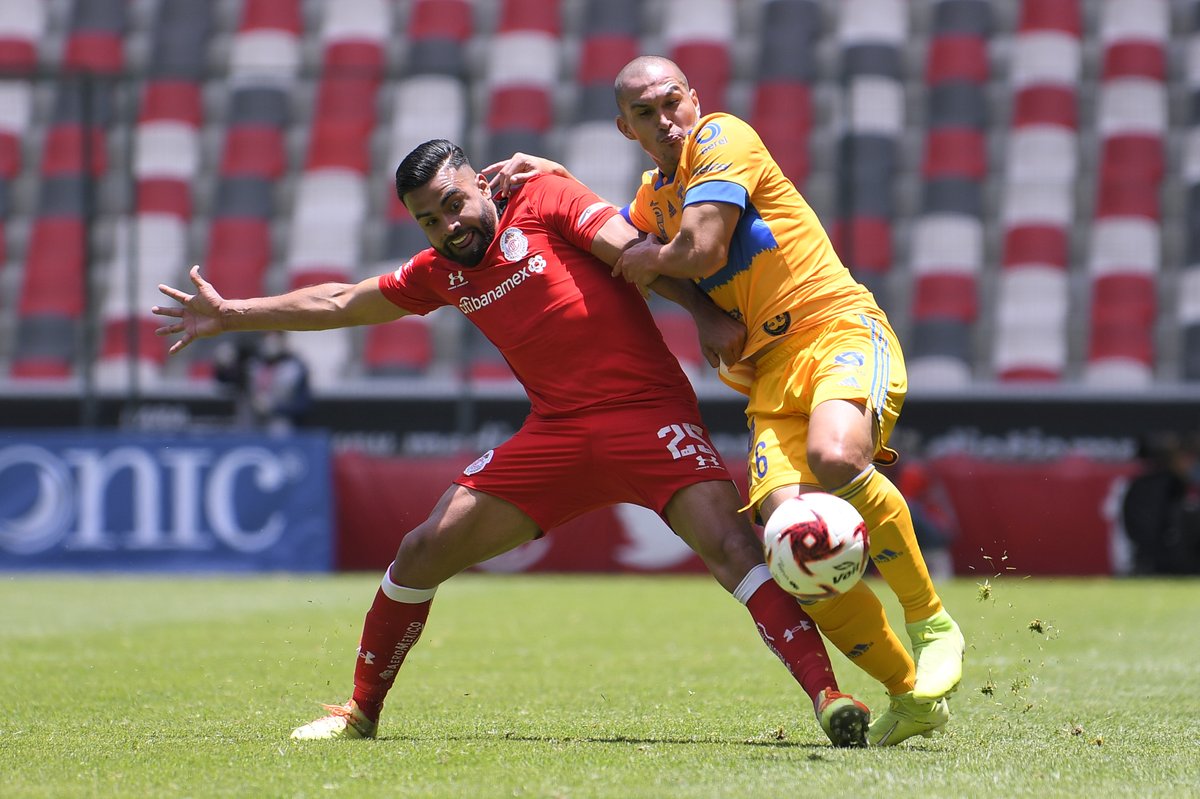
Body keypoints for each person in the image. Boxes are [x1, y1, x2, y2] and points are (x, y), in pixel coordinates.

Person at [152, 139, 875, 746]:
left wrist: (701, 314)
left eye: (455, 203)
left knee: (736, 550)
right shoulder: (440, 272)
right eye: (428, 219)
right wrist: (232, 314)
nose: (448, 225)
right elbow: (342, 299)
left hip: (647, 418)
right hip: (556, 435)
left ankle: (829, 698)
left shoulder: (548, 200)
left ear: (480, 180)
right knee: (420, 551)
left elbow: (634, 251)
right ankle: (360, 712)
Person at [487, 55, 964, 746]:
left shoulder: (722, 137)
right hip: (769, 376)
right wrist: (564, 184)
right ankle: (910, 693)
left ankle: (932, 625)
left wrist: (653, 262)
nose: (665, 120)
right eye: (645, 113)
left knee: (836, 457)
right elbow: (623, 247)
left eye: (671, 101)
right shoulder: (652, 202)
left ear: (693, 98)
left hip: (836, 330)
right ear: (627, 129)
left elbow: (701, 248)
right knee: (790, 546)